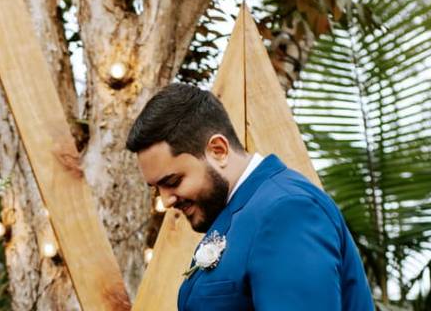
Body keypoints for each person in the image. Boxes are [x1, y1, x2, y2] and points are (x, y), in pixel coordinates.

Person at [126, 83, 374, 310]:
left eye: (172, 182)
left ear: (218, 150)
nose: (166, 199)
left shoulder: (286, 211)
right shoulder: (244, 212)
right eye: (156, 188)